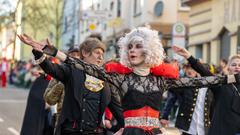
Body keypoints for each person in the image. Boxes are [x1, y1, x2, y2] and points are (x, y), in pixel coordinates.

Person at [18, 27, 239, 135]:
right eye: (130, 46)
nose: (133, 50)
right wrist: (52, 51)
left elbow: (201, 82)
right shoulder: (120, 77)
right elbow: (81, 65)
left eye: (138, 46)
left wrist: (234, 77)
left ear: (149, 50)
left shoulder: (161, 81)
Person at [19, 37, 124, 135]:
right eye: (97, 53)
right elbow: (50, 68)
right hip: (71, 131)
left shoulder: (106, 80)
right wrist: (38, 52)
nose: (101, 57)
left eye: (102, 54)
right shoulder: (72, 71)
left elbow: (118, 110)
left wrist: (132, 127)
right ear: (85, 53)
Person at [173, 45, 240, 135]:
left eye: (239, 65)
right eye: (234, 65)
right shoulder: (221, 84)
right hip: (221, 131)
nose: (237, 67)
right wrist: (188, 56)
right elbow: (205, 72)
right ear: (228, 67)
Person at [160, 64, 214, 135]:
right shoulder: (187, 85)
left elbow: (213, 109)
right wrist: (164, 116)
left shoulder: (213, 90)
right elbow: (171, 95)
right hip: (188, 128)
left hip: (205, 129)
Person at [43, 46, 80, 129]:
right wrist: (62, 83)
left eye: (78, 55)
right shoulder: (59, 73)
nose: (76, 57)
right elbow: (49, 100)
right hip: (63, 120)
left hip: (81, 122)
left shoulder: (86, 74)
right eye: (73, 54)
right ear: (67, 56)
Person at [20, 67, 54, 135]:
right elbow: (48, 104)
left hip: (35, 115)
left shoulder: (39, 81)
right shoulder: (47, 81)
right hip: (41, 114)